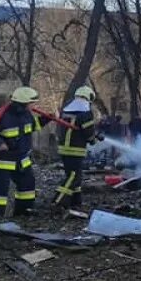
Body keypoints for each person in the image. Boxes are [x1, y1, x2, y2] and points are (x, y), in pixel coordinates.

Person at [0, 86, 49, 219]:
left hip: (21, 158)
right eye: (32, 103)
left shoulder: (26, 114)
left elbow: (33, 126)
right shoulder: (3, 116)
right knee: (0, 189)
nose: (34, 105)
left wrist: (48, 118)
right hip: (3, 160)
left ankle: (23, 211)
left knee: (27, 184)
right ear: (24, 103)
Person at [55, 85, 101, 217]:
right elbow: (88, 133)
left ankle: (75, 201)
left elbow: (78, 128)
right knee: (74, 177)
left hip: (64, 148)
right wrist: (94, 139)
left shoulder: (67, 109)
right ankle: (58, 202)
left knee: (73, 175)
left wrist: (93, 134)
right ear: (89, 97)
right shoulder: (85, 112)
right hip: (75, 149)